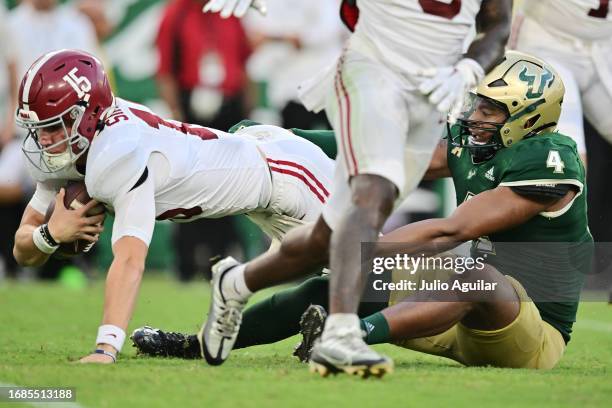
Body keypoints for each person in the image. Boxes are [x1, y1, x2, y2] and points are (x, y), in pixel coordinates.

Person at [133, 51, 592, 371]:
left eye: (492, 110)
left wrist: (361, 250)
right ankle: (196, 345)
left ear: (528, 118)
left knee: (476, 276)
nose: (476, 115)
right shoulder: (472, 143)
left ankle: (348, 338)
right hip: (453, 312)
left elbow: (450, 231)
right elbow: (382, 155)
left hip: (529, 332)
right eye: (478, 102)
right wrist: (284, 139)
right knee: (336, 286)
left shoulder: (549, 160)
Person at [198, 0, 512, 376]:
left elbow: (497, 25)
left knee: (326, 238)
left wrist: (469, 67)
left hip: (431, 93)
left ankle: (236, 283)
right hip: (372, 70)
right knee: (372, 191)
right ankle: (341, 334)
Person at [12, 49, 333, 364]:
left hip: (286, 173)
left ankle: (289, 316)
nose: (44, 141)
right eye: (39, 129)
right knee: (363, 275)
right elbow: (22, 251)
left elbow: (129, 259)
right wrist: (49, 235)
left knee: (372, 275)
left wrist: (105, 348)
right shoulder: (77, 142)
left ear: (89, 113)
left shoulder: (116, 152)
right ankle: (240, 302)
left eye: (54, 126)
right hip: (263, 170)